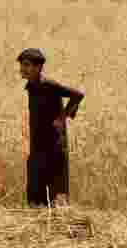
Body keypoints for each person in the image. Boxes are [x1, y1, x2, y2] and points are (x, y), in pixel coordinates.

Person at [17, 48, 85, 208]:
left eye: (27, 65)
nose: (22, 69)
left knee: (56, 189)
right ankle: (37, 220)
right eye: (21, 65)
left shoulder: (49, 85)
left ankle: (59, 224)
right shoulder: (31, 87)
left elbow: (78, 95)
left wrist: (63, 117)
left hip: (54, 145)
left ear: (38, 67)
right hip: (38, 144)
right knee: (35, 189)